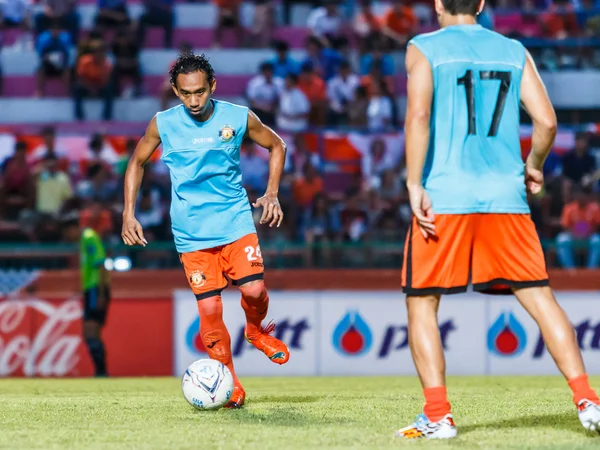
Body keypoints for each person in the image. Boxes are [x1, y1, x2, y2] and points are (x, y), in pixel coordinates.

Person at [396, 0, 600, 440]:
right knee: (541, 299)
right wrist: (534, 165)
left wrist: (414, 183)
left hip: (445, 196)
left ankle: (439, 415)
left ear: (437, 4)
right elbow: (546, 121)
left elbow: (418, 115)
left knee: (422, 303)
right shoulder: (512, 49)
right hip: (506, 198)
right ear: (482, 4)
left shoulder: (423, 47)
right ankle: (588, 400)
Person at [122, 51, 289, 408]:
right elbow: (136, 162)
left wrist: (272, 192)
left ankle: (256, 331)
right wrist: (128, 213)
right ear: (175, 90)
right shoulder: (162, 124)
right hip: (191, 233)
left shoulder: (238, 116)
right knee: (210, 310)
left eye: (200, 91)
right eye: (186, 93)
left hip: (235, 221)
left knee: (255, 290)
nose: (194, 100)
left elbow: (277, 144)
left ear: (212, 86)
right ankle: (229, 384)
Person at [64, 215, 111, 377]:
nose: (67, 237)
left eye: (67, 233)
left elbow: (101, 264)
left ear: (73, 229)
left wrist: (101, 293)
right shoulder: (84, 240)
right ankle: (101, 371)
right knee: (92, 332)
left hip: (95, 289)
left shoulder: (89, 237)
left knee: (90, 331)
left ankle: (101, 371)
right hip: (91, 289)